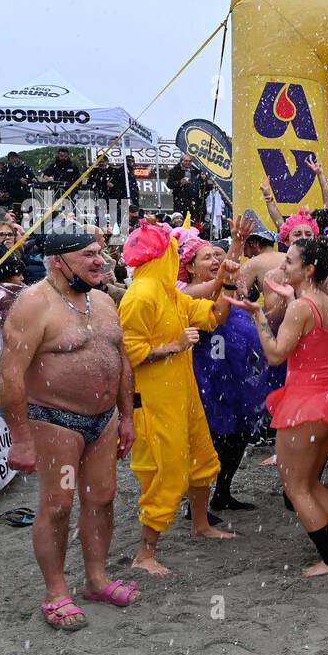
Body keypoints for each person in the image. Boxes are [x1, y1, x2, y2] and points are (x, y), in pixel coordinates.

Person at [0, 225, 138, 631]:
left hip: (104, 420)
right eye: (89, 255)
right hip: (54, 420)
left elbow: (121, 360)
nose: (100, 261)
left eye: (101, 253)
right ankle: (56, 592)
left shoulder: (102, 300)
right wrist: (21, 438)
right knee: (58, 505)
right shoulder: (33, 304)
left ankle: (96, 579)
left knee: (104, 497)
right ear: (58, 261)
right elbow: (9, 378)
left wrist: (127, 416)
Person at [232, 233, 328, 575]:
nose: (282, 265)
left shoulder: (302, 307)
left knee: (296, 486)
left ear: (309, 268)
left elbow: (275, 355)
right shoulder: (324, 301)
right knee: (312, 483)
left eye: (289, 261)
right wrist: (292, 296)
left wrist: (258, 314)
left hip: (304, 404)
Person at [119, 220, 238, 576]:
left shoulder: (170, 293)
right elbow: (129, 351)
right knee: (166, 473)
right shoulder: (140, 296)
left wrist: (228, 281)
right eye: (172, 251)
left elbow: (215, 316)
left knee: (202, 458)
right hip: (154, 399)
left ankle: (199, 525)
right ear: (163, 256)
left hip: (183, 393)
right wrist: (174, 346)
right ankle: (145, 552)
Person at [183, 237, 270, 511]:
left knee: (238, 437)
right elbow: (214, 293)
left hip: (236, 376)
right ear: (190, 267)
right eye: (206, 257)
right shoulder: (189, 291)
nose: (215, 261)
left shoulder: (229, 287)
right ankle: (196, 504)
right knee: (212, 440)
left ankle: (222, 493)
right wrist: (236, 247)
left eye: (216, 256)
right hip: (207, 377)